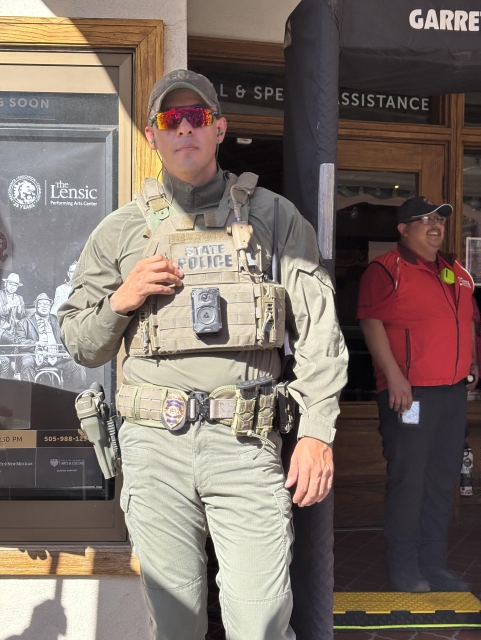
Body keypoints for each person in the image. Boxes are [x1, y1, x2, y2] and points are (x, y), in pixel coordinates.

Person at [59, 69, 348, 640]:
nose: (184, 128)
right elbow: (80, 343)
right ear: (152, 136)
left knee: (260, 621)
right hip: (154, 451)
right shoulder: (121, 232)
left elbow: (319, 332)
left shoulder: (274, 218)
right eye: (171, 119)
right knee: (176, 624)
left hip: (244, 445)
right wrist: (124, 297)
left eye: (197, 117)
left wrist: (316, 433)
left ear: (219, 128)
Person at [358, 196, 478, 593]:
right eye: (423, 219)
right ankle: (405, 567)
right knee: (411, 481)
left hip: (452, 393)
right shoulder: (386, 270)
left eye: (439, 219)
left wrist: (473, 365)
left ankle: (433, 563)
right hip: (410, 396)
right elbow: (372, 324)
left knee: (442, 480)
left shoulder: (456, 272)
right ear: (403, 230)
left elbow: (467, 323)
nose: (434, 225)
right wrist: (394, 376)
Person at [16, 292, 86, 389]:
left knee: (77, 365)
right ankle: (27, 396)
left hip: (57, 357)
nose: (44, 306)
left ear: (50, 306)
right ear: (35, 306)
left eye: (47, 304)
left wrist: (68, 350)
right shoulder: (24, 323)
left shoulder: (58, 320)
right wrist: (36, 344)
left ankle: (77, 397)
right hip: (35, 357)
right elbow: (19, 342)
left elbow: (68, 337)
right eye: (41, 304)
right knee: (26, 362)